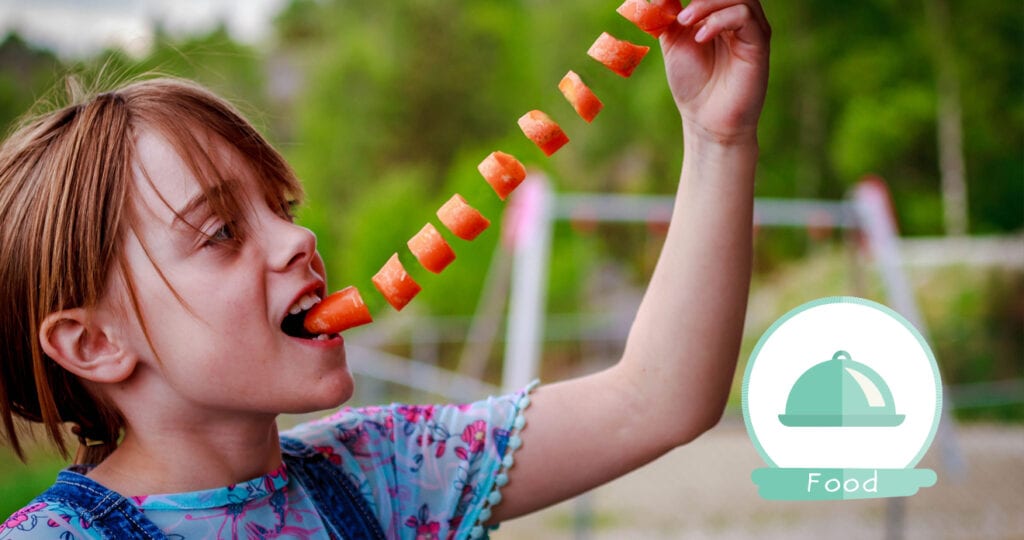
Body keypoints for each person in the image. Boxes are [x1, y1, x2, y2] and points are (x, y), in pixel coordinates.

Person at [0, 0, 769, 538]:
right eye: (224, 232)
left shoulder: (387, 473)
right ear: (94, 343)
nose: (296, 243)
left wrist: (717, 138)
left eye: (282, 207)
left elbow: (655, 400)